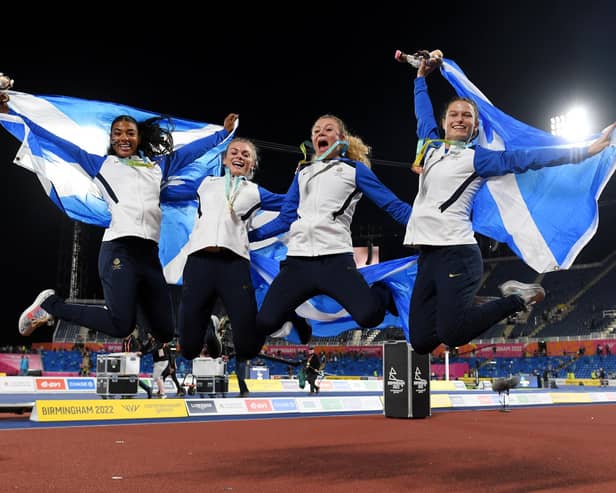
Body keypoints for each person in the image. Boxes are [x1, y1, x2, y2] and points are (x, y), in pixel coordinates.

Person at [403, 52, 616, 355]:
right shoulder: (430, 147)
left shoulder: (478, 158)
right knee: (422, 341)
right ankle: (476, 302)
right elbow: (422, 116)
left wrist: (582, 151)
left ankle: (518, 298)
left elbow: (525, 158)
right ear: (444, 122)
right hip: (428, 255)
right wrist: (421, 79)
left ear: (475, 127)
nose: (460, 119)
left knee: (453, 334)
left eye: (467, 116)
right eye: (454, 115)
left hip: (457, 254)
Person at [5, 88, 238, 343]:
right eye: (117, 134)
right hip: (119, 250)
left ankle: (206, 325)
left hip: (149, 256)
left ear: (139, 138)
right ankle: (51, 304)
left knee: (163, 331)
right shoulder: (100, 164)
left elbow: (190, 151)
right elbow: (55, 141)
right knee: (120, 324)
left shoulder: (156, 166)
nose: (123, 138)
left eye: (130, 133)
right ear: (111, 138)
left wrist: (223, 133)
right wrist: (12, 113)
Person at [248, 115, 412, 348]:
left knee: (370, 317)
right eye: (316, 131)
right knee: (265, 322)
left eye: (328, 129)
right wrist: (249, 237)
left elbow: (391, 204)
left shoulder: (354, 170)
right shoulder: (302, 173)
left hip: (336, 261)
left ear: (341, 139)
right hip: (298, 263)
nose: (320, 134)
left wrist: (424, 223)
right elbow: (286, 218)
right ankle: (297, 320)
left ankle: (382, 292)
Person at [178, 137, 289, 362]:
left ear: (252, 165)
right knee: (188, 350)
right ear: (225, 160)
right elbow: (170, 190)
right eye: (234, 152)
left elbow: (291, 205)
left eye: (246, 155)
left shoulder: (256, 192)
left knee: (247, 350)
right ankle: (208, 328)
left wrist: (302, 178)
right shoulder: (205, 183)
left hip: (234, 267)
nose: (239, 156)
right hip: (199, 264)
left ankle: (220, 328)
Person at [122, 329, 154, 399]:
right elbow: (123, 351)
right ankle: (146, 389)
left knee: (131, 377)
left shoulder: (133, 340)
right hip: (126, 361)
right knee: (128, 378)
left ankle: (146, 389)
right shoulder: (124, 341)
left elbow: (136, 350)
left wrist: (133, 353)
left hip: (133, 361)